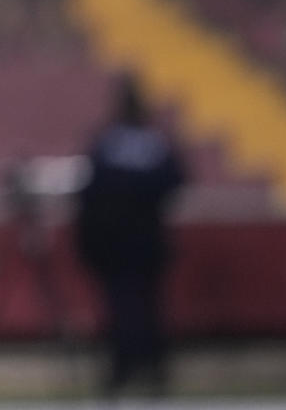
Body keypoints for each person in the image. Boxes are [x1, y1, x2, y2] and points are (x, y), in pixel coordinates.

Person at [75, 73, 185, 397]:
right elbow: (175, 180)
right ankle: (148, 370)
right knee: (143, 306)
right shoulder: (150, 142)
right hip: (143, 238)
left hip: (120, 240)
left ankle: (129, 370)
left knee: (126, 306)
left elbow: (90, 191)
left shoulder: (111, 142)